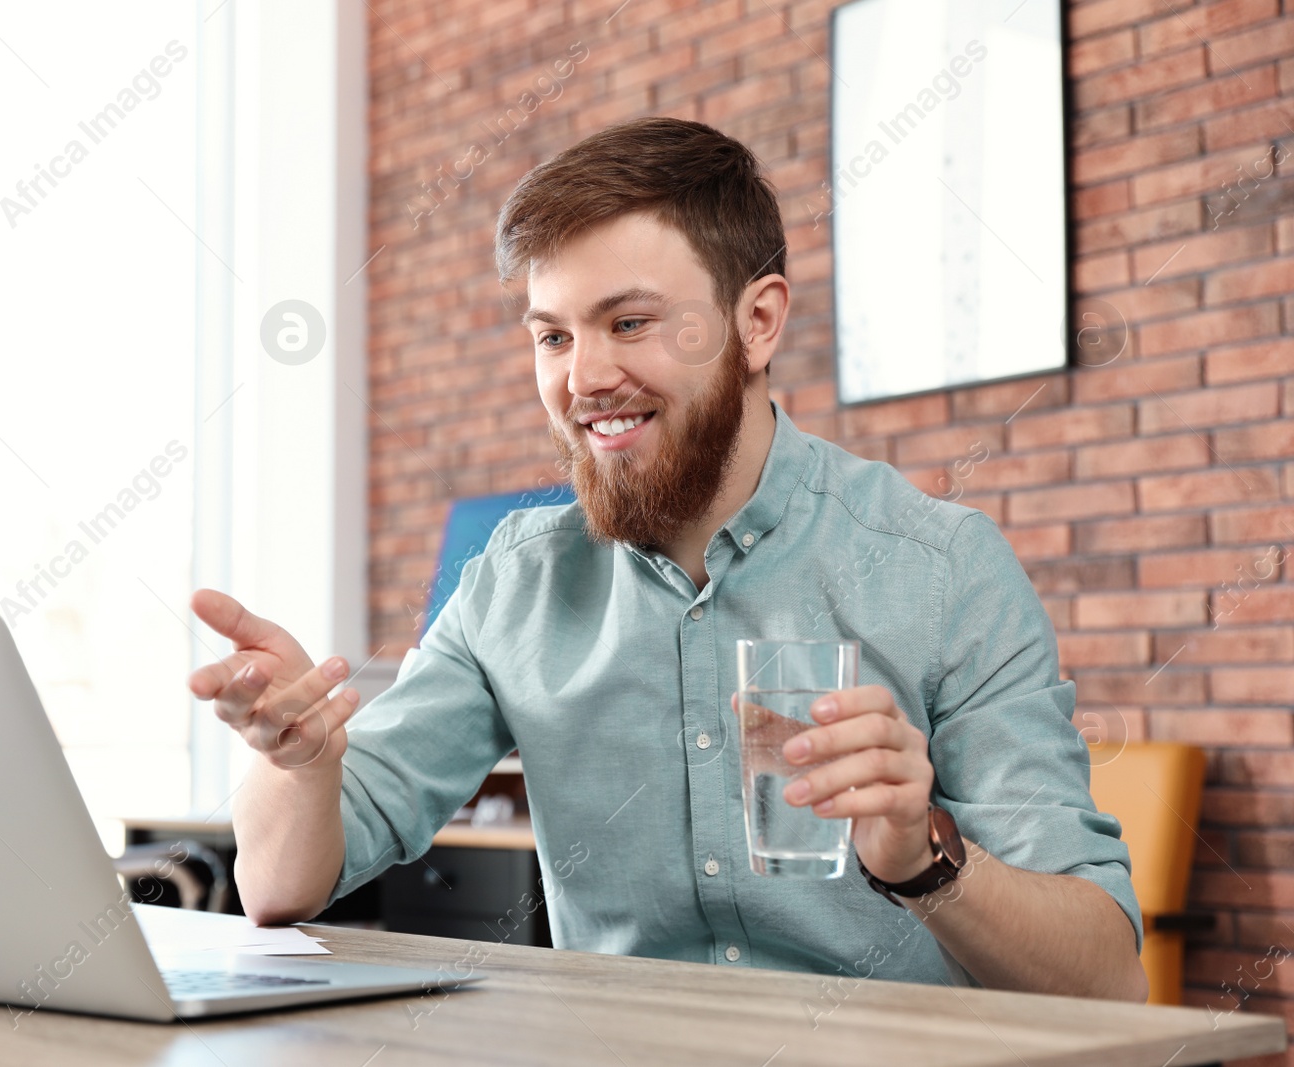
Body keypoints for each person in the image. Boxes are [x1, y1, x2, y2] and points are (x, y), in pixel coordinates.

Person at [188, 117, 1148, 1000]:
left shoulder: (940, 570)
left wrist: (926, 863)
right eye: (553, 336)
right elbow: (277, 887)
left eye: (630, 323)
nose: (585, 376)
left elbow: (1106, 979)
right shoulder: (514, 583)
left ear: (758, 322)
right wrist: (300, 760)